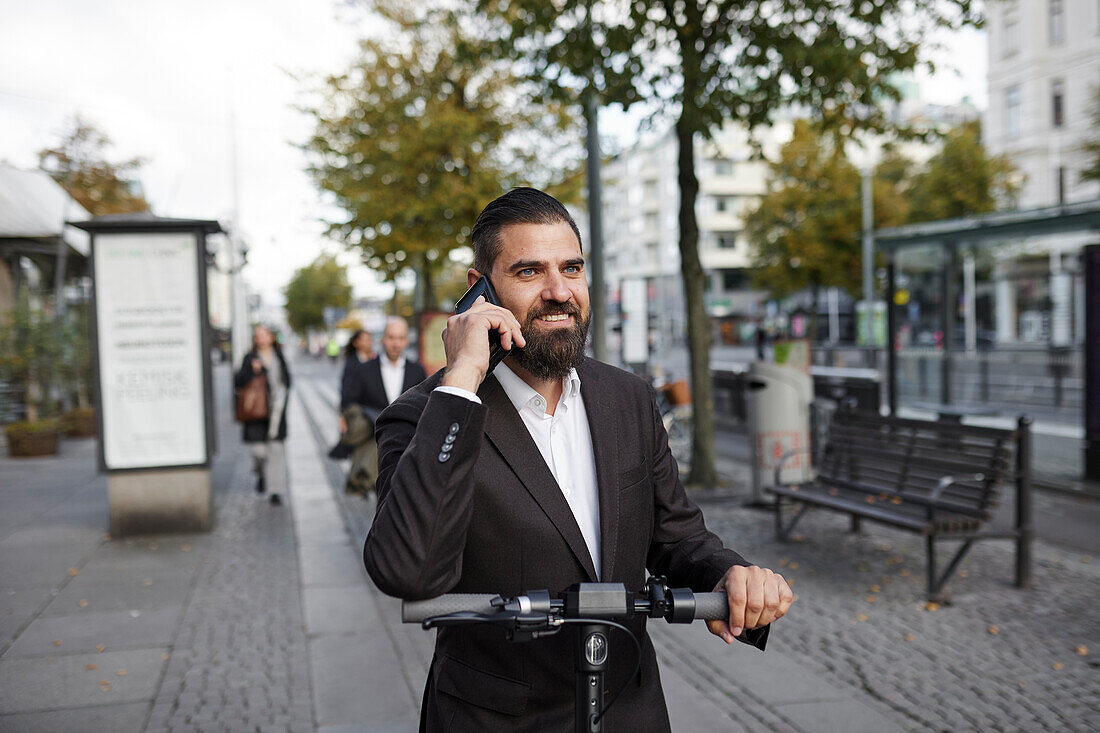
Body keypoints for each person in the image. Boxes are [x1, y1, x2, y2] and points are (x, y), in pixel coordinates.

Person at [363, 188, 793, 731]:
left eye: (572, 268)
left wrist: (731, 573)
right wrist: (463, 380)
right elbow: (408, 571)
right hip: (494, 720)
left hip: (628, 710)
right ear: (480, 293)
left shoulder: (627, 398)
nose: (558, 291)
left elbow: (678, 538)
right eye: (528, 272)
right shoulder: (427, 415)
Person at [339, 318, 427, 495]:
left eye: (400, 338)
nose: (395, 343)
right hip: (377, 446)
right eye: (391, 337)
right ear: (383, 339)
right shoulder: (364, 370)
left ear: (406, 341)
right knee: (382, 496)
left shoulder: (416, 371)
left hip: (409, 446)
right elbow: (349, 401)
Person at [234, 324, 291, 506]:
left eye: (264, 335)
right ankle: (261, 474)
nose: (261, 339)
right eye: (258, 335)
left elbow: (288, 380)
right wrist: (254, 371)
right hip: (257, 413)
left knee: (276, 451)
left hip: (276, 411)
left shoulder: (279, 356)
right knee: (259, 452)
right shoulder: (249, 358)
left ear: (271, 337)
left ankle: (275, 491)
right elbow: (238, 381)